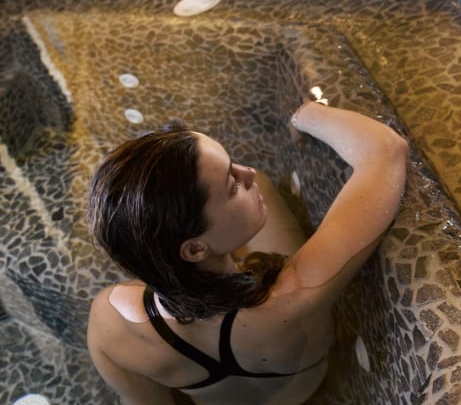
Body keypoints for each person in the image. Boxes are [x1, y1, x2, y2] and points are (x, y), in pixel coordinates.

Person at [85, 101, 408, 405]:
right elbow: (386, 150)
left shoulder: (109, 322)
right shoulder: (295, 295)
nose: (248, 172)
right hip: (307, 390)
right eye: (232, 184)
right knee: (263, 185)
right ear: (195, 248)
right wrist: (307, 114)